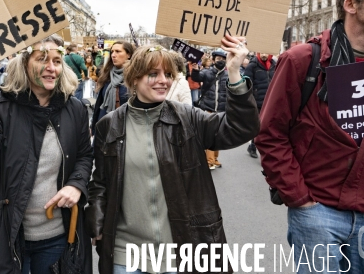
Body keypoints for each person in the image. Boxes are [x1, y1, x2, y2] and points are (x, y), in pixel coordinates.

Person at [86, 36, 259, 274]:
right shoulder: (109, 125)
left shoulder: (188, 118)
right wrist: (95, 217)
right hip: (127, 252)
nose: (162, 81)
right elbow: (101, 181)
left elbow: (241, 129)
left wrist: (234, 73)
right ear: (134, 78)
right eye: (153, 74)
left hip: (179, 250)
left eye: (168, 74)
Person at [256, 0, 364, 273]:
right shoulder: (302, 60)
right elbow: (269, 134)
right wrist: (300, 200)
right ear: (351, 5)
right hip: (318, 211)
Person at [0, 34, 93, 274]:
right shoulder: (1, 106)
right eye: (42, 59)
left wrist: (76, 185)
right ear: (23, 63)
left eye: (56, 60)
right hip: (8, 234)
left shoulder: (74, 109)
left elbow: (84, 155)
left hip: (57, 236)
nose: (51, 68)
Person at [191, 49, 229, 169]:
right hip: (208, 108)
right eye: (218, 59)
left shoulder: (228, 75)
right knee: (209, 134)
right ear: (213, 60)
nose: (220, 61)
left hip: (222, 110)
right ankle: (209, 161)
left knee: (219, 135)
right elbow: (196, 77)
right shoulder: (207, 72)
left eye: (223, 59)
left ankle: (215, 159)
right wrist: (196, 69)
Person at [91, 41, 134, 137]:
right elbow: (99, 104)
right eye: (112, 52)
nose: (113, 55)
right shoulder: (106, 75)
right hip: (104, 126)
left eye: (118, 51)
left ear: (129, 55)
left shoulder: (135, 77)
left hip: (125, 130)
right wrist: (93, 127)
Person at [242, 52, 275, 158]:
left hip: (271, 100)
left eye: (266, 52)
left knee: (269, 125)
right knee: (258, 125)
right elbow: (247, 83)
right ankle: (253, 146)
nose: (264, 55)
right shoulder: (252, 65)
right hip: (257, 100)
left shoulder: (274, 65)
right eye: (262, 52)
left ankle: (264, 147)